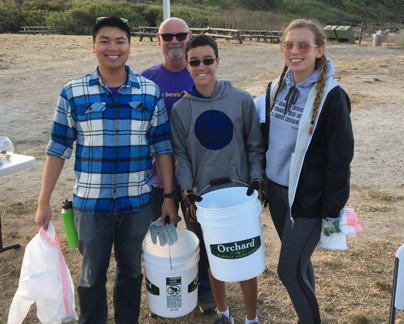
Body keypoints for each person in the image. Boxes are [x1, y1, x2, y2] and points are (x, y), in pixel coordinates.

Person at [34, 17, 178, 324]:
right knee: (91, 275)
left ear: (129, 46)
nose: (112, 48)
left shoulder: (149, 92)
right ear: (94, 45)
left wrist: (168, 196)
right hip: (90, 205)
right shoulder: (73, 92)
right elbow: (58, 149)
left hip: (137, 203)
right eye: (105, 41)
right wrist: (43, 200)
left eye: (119, 41)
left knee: (130, 271)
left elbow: (162, 147)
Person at [262, 19, 354, 324]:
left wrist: (332, 210)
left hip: (308, 200)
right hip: (276, 192)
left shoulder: (332, 96)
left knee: (287, 270)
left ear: (319, 50)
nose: (295, 50)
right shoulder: (275, 86)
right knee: (300, 265)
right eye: (289, 44)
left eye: (304, 45)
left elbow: (340, 159)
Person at [170, 34, 265, 324]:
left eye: (208, 60)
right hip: (203, 199)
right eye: (194, 61)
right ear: (187, 65)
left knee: (245, 257)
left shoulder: (240, 100)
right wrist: (186, 190)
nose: (202, 67)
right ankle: (224, 313)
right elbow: (181, 155)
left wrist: (257, 180)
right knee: (215, 257)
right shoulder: (180, 110)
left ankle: (252, 318)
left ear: (218, 61)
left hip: (240, 197)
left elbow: (254, 146)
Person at [140, 17, 216, 314]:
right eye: (167, 36)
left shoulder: (199, 74)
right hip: (156, 178)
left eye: (180, 35)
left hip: (196, 179)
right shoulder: (147, 79)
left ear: (189, 37)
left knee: (201, 234)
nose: (174, 41)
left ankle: (206, 290)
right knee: (161, 236)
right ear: (158, 40)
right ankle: (163, 286)